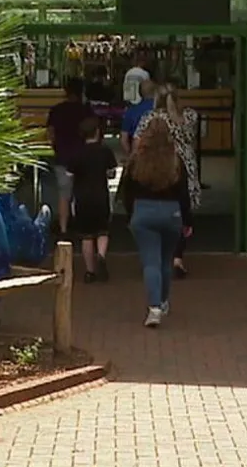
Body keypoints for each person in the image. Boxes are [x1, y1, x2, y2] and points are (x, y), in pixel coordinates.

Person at [121, 116, 192, 328]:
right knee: (166, 260)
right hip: (171, 213)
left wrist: (130, 214)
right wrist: (187, 220)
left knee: (150, 262)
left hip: (143, 212)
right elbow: (183, 194)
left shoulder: (136, 160)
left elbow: (127, 191)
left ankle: (154, 308)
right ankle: (163, 301)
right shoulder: (176, 161)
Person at [134, 84, 201, 278]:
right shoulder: (188, 117)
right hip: (186, 166)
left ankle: (161, 254)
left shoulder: (150, 118)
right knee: (182, 210)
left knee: (161, 206)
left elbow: (138, 142)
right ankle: (178, 257)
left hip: (159, 166)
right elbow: (193, 138)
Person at [68, 116, 116, 283]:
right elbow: (111, 173)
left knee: (86, 236)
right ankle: (101, 255)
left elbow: (70, 174)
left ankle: (90, 271)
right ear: (98, 132)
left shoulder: (77, 153)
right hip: (101, 195)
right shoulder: (105, 151)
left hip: (82, 197)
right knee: (103, 231)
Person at [46, 77, 94, 236]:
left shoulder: (56, 110)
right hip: (82, 157)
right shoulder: (86, 110)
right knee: (81, 193)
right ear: (81, 92)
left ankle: (63, 228)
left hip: (62, 156)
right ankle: (82, 227)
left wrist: (54, 146)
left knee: (64, 194)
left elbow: (50, 133)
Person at [120, 78, 156, 156]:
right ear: (155, 92)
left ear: (139, 93)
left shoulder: (131, 111)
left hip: (138, 154)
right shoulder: (161, 110)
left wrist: (131, 157)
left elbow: (123, 140)